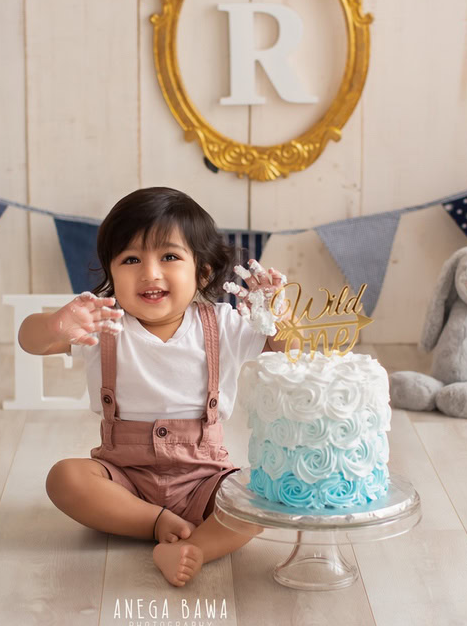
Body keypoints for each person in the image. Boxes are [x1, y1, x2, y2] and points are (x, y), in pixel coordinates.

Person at [18, 187, 290, 587]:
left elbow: (288, 353)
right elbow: (30, 339)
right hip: (122, 478)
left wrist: (276, 312)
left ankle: (193, 549)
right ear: (110, 273)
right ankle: (154, 523)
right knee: (65, 478)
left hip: (205, 480)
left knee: (264, 490)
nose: (149, 273)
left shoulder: (222, 324)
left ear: (202, 271)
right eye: (131, 259)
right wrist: (56, 325)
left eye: (169, 257)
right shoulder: (103, 322)